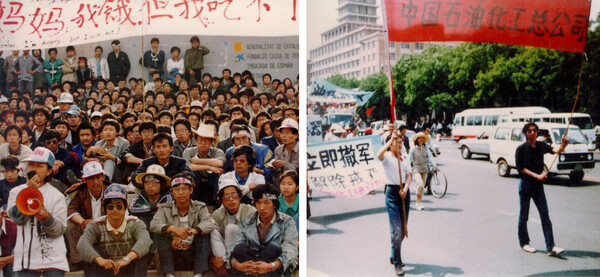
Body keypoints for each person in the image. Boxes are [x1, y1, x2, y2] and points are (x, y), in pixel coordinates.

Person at [6, 147, 70, 275]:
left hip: (53, 261)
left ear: (49, 171)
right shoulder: (16, 192)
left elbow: (59, 231)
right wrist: (28, 192)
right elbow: (16, 219)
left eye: (39, 166)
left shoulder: (57, 196)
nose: (34, 169)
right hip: (25, 261)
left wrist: (46, 218)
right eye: (31, 165)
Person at [76, 184, 152, 277]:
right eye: (110, 207)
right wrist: (100, 260)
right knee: (90, 259)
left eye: (119, 206)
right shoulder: (96, 225)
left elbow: (145, 241)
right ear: (105, 208)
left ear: (126, 207)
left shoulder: (135, 223)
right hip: (106, 268)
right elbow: (82, 244)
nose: (115, 210)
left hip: (128, 268)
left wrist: (125, 260)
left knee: (141, 257)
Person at [150, 173, 217, 277]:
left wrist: (188, 233)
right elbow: (154, 224)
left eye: (185, 189)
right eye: (177, 189)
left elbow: (210, 223)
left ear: (191, 190)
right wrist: (173, 229)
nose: (181, 192)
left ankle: (198, 274)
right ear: (172, 192)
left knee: (204, 234)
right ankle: (169, 274)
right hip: (173, 253)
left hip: (193, 253)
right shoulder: (164, 208)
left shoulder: (200, 206)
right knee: (162, 235)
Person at [516, 122, 568, 256]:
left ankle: (551, 247)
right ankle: (524, 243)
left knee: (545, 215)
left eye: (534, 131)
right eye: (530, 131)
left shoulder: (541, 145)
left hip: (538, 187)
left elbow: (556, 151)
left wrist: (564, 145)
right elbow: (521, 169)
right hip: (526, 185)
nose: (532, 133)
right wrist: (537, 176)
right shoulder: (521, 149)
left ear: (537, 132)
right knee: (523, 216)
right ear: (526, 133)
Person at [226, 184, 298, 276]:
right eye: (258, 203)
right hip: (251, 266)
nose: (262, 207)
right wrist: (239, 266)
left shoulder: (287, 221)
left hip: (274, 267)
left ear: (274, 205)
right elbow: (234, 247)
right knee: (240, 248)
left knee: (272, 249)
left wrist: (270, 266)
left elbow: (290, 249)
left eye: (266, 202)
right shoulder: (248, 222)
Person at [377, 129, 412, 276]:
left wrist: (405, 188)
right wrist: (390, 140)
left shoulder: (404, 156)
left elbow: (409, 175)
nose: (399, 144)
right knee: (396, 229)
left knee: (403, 229)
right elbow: (379, 155)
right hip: (392, 193)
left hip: (404, 193)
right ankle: (397, 263)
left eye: (400, 142)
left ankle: (393, 253)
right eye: (396, 142)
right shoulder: (387, 157)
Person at [64, 160, 110, 271]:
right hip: (87, 228)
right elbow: (71, 210)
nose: (95, 182)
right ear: (85, 180)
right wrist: (83, 222)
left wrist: (99, 222)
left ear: (103, 177)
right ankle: (78, 260)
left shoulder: (111, 190)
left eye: (98, 177)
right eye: (91, 178)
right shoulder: (80, 191)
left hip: (107, 226)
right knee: (70, 226)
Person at [209, 179, 256, 275]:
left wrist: (225, 258)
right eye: (226, 196)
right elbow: (216, 240)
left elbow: (250, 238)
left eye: (234, 195)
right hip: (224, 253)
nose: (231, 199)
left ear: (240, 196)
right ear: (221, 200)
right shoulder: (217, 214)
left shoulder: (250, 211)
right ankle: (226, 266)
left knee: (231, 228)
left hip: (243, 250)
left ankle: (227, 264)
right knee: (211, 230)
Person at [183, 124, 226, 212]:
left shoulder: (217, 151)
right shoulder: (189, 151)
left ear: (211, 142)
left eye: (207, 140)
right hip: (196, 183)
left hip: (212, 183)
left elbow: (220, 163)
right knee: (192, 174)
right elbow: (189, 166)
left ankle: (217, 206)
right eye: (200, 140)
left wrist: (197, 161)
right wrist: (209, 166)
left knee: (216, 175)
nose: (203, 143)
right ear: (195, 140)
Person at [408, 132, 437, 211]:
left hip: (424, 169)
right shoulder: (413, 149)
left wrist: (435, 165)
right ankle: (418, 202)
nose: (421, 139)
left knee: (422, 188)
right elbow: (409, 160)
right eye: (420, 138)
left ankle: (418, 202)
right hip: (416, 169)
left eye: (423, 138)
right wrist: (407, 169)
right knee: (420, 185)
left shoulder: (426, 148)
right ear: (417, 139)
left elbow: (430, 157)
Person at [0, 205, 17, 277]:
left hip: (11, 266)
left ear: (3, 214)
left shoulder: (15, 227)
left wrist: (7, 260)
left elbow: (26, 252)